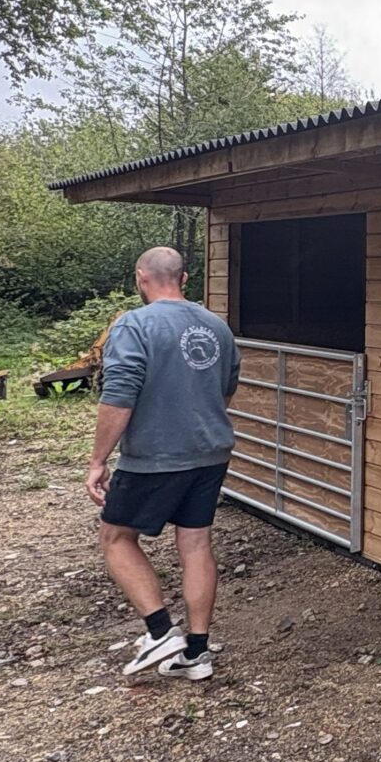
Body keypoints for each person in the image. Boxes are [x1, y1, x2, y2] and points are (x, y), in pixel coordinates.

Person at [86, 246, 241, 681]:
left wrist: (98, 459)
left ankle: (159, 631)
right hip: (210, 452)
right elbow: (226, 388)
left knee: (116, 537)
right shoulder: (216, 326)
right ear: (185, 278)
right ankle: (196, 652)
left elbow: (118, 396)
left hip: (155, 455)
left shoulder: (134, 325)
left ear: (141, 277)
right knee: (195, 545)